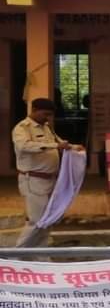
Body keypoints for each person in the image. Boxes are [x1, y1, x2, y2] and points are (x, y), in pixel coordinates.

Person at [12, 98, 75, 249]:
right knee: (36, 221)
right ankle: (17, 254)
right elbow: (24, 146)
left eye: (50, 115)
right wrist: (55, 146)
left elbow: (59, 142)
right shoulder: (22, 128)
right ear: (34, 110)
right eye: (45, 114)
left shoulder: (46, 127)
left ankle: (41, 256)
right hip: (33, 180)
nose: (47, 118)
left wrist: (73, 148)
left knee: (47, 220)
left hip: (50, 179)